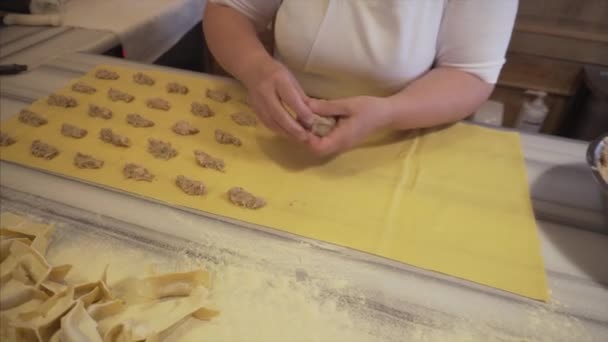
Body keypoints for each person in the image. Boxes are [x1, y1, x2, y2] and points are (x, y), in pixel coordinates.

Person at [203, 0, 518, 156]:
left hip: (395, 136)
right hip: (277, 120)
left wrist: (389, 113)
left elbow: (469, 73)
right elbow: (232, 9)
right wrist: (255, 68)